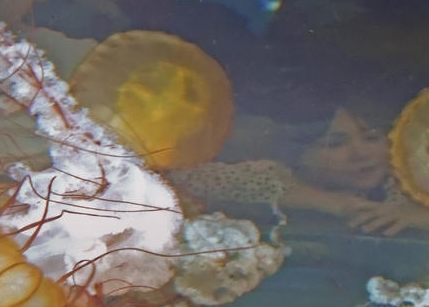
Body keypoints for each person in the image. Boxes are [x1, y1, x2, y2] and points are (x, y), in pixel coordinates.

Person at [171, 107, 429, 236]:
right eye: (335, 144)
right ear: (299, 154)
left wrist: (415, 216)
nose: (360, 153)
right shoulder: (276, 177)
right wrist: (323, 201)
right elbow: (180, 179)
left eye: (372, 138)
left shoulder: (409, 183)